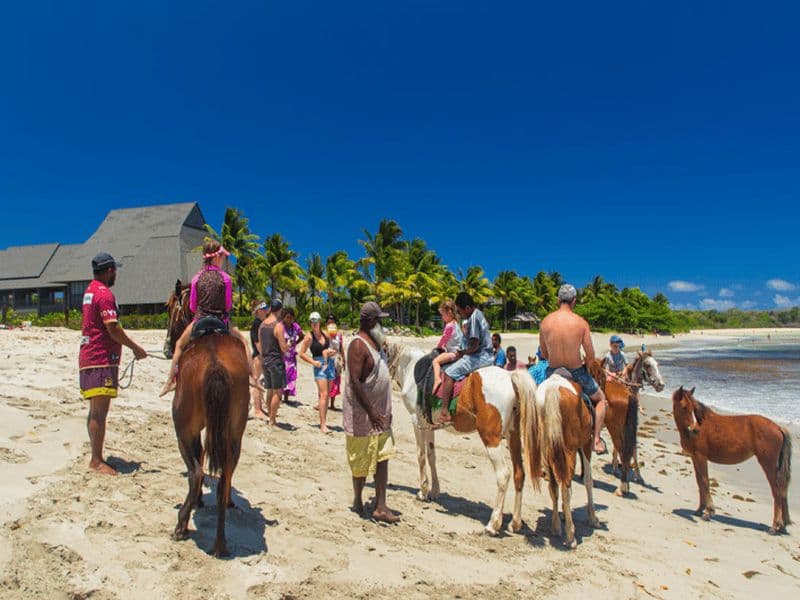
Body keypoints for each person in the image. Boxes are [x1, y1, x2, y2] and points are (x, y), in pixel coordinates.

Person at [79, 253, 147, 475]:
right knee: (100, 411)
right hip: (100, 358)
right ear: (109, 271)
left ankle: (96, 456)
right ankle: (96, 460)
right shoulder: (104, 294)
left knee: (95, 410)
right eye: (114, 270)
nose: (116, 273)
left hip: (90, 356)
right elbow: (113, 327)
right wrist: (135, 348)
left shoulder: (90, 290)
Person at [159, 239, 251, 396]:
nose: (222, 260)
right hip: (222, 321)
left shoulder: (196, 278)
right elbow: (228, 305)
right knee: (244, 342)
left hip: (200, 320)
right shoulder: (226, 278)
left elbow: (193, 306)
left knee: (180, 345)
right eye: (221, 256)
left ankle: (170, 381)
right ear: (216, 257)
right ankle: (253, 378)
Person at [343, 301, 399, 523]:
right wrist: (371, 412)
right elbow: (355, 382)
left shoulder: (375, 343)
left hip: (381, 416)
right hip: (363, 416)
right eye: (378, 320)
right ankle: (358, 500)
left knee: (383, 457)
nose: (380, 325)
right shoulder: (357, 345)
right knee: (360, 460)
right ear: (368, 321)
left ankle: (380, 506)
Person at [539, 284, 608, 454]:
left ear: (558, 300)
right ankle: (596, 440)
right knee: (601, 400)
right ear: (574, 301)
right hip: (576, 372)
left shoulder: (545, 322)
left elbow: (544, 354)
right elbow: (590, 355)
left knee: (536, 400)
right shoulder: (581, 323)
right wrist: (587, 362)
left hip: (552, 371)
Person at [436, 292, 494, 427]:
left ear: (467, 308)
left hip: (479, 356)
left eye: (460, 311)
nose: (460, 314)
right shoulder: (479, 313)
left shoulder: (473, 318)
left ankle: (445, 412)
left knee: (449, 372)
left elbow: (474, 346)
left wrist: (462, 352)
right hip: (488, 354)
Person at [298, 311, 337, 433]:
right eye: (312, 321)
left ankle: (324, 420)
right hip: (319, 365)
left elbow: (334, 345)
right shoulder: (309, 337)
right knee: (324, 394)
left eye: (316, 321)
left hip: (329, 364)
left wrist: (332, 352)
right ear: (310, 323)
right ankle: (323, 424)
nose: (314, 323)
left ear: (320, 322)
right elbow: (301, 353)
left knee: (326, 395)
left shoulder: (325, 334)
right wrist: (313, 362)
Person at [258, 299, 290, 428]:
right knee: (277, 392)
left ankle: (269, 417)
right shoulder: (278, 326)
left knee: (269, 390)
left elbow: (260, 344)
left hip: (265, 360)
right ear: (280, 310)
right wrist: (288, 345)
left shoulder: (262, 324)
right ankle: (272, 420)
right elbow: (283, 348)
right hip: (275, 361)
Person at [431, 300, 464, 386]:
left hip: (453, 353)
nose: (442, 317)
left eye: (443, 314)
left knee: (435, 361)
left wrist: (439, 346)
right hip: (459, 352)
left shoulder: (449, 325)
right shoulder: (456, 323)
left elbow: (443, 339)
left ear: (449, 313)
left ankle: (437, 379)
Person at [250, 300, 270, 420]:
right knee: (257, 383)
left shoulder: (260, 323)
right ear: (258, 311)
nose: (265, 311)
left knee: (259, 382)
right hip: (258, 356)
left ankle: (259, 408)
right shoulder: (257, 323)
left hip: (260, 355)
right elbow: (257, 342)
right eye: (263, 309)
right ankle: (257, 410)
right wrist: (264, 355)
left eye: (265, 309)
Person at [281, 307, 304, 404]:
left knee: (291, 377)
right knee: (282, 375)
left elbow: (302, 336)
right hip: (282, 356)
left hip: (291, 357)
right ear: (283, 317)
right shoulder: (280, 326)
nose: (289, 319)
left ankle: (286, 398)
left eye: (291, 317)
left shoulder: (295, 326)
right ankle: (279, 396)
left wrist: (295, 343)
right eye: (287, 317)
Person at [326, 315, 345, 409]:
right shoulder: (324, 334)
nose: (331, 324)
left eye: (332, 322)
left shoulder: (339, 335)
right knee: (325, 381)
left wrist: (344, 359)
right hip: (327, 359)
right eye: (329, 322)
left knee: (335, 381)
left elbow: (341, 347)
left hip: (336, 360)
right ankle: (324, 402)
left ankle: (332, 404)